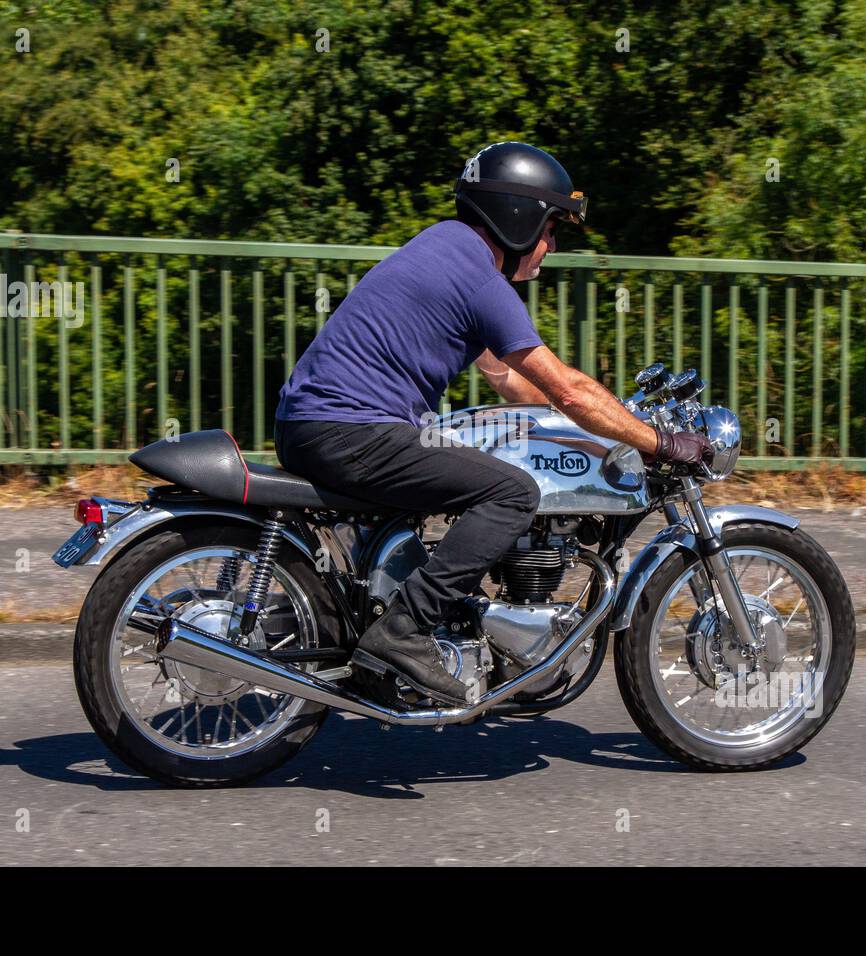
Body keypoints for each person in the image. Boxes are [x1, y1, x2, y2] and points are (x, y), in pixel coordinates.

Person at [273, 141, 710, 705]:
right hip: (350, 429)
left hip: (321, 425)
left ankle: (401, 621)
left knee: (474, 472)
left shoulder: (444, 250)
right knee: (511, 493)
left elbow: (513, 382)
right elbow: (569, 389)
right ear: (518, 216)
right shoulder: (480, 280)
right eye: (551, 227)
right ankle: (402, 633)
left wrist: (600, 424)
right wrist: (659, 442)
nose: (551, 245)